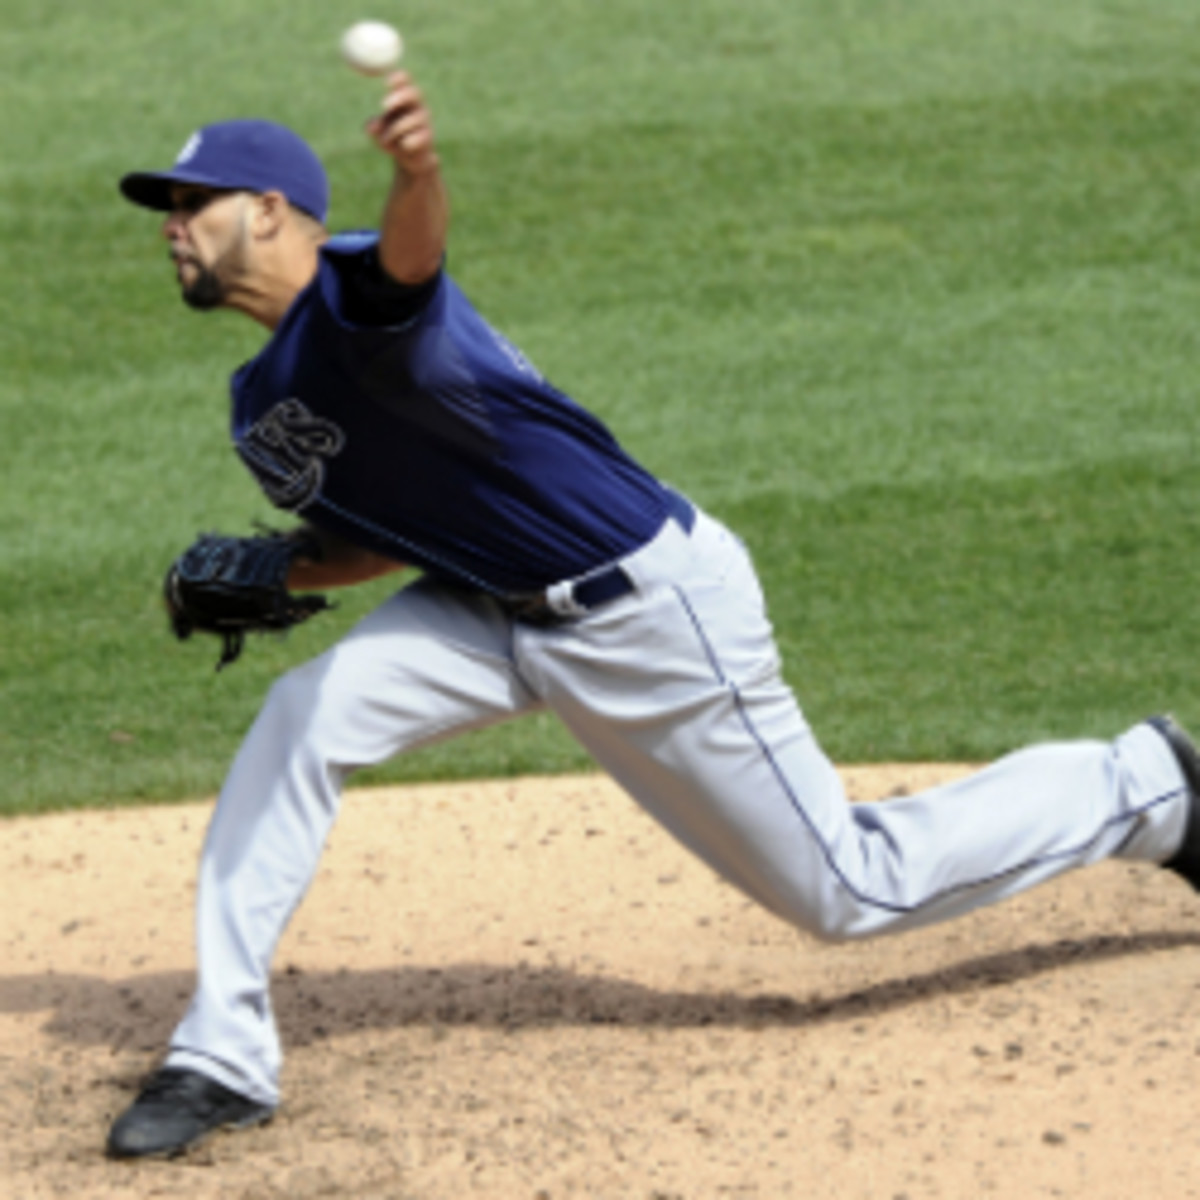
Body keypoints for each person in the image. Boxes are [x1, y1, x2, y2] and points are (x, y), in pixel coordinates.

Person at [106, 71, 1200, 1159]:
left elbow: (413, 254)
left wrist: (417, 169)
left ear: (270, 210)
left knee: (846, 890)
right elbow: (388, 537)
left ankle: (1147, 789)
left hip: (644, 610)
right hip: (486, 610)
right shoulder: (261, 405)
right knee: (304, 716)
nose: (171, 227)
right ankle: (221, 1055)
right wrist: (283, 571)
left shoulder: (360, 295)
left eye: (192, 203)